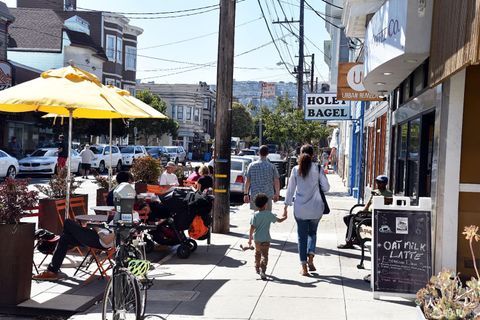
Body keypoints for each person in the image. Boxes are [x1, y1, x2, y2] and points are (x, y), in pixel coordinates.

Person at [284, 144, 330, 276]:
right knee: (313, 233)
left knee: (301, 237)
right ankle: (311, 258)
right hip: (316, 209)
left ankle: (303, 267)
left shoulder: (295, 170)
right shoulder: (318, 169)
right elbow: (326, 188)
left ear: (300, 154)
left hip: (300, 210)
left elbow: (290, 190)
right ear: (313, 155)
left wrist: (286, 206)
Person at [32, 219, 115, 281]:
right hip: (96, 237)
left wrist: (97, 228)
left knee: (68, 223)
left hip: (99, 241)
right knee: (65, 238)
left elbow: (106, 241)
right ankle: (52, 271)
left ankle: (53, 270)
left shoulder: (125, 223)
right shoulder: (122, 217)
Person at [337, 175, 393, 249]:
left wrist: (380, 197)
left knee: (351, 219)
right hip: (368, 214)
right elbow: (368, 204)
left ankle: (349, 242)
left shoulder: (388, 193)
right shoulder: (375, 191)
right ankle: (356, 238)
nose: (378, 184)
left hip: (375, 216)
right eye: (377, 182)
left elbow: (388, 201)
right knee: (347, 218)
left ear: (385, 184)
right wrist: (362, 211)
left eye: (380, 183)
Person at [248, 193, 287, 280]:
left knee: (257, 253)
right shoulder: (269, 214)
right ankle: (263, 270)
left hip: (257, 238)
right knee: (264, 255)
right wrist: (285, 217)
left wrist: (250, 239)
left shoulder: (255, 215)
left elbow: (251, 228)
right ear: (265, 204)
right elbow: (279, 220)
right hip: (266, 239)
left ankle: (257, 267)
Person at [243, 145, 280, 211]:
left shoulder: (251, 165)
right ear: (268, 154)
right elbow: (276, 181)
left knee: (257, 216)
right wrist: (277, 194)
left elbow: (247, 181)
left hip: (255, 196)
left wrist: (246, 194)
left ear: (258, 153)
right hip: (267, 196)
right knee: (267, 216)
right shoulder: (272, 167)